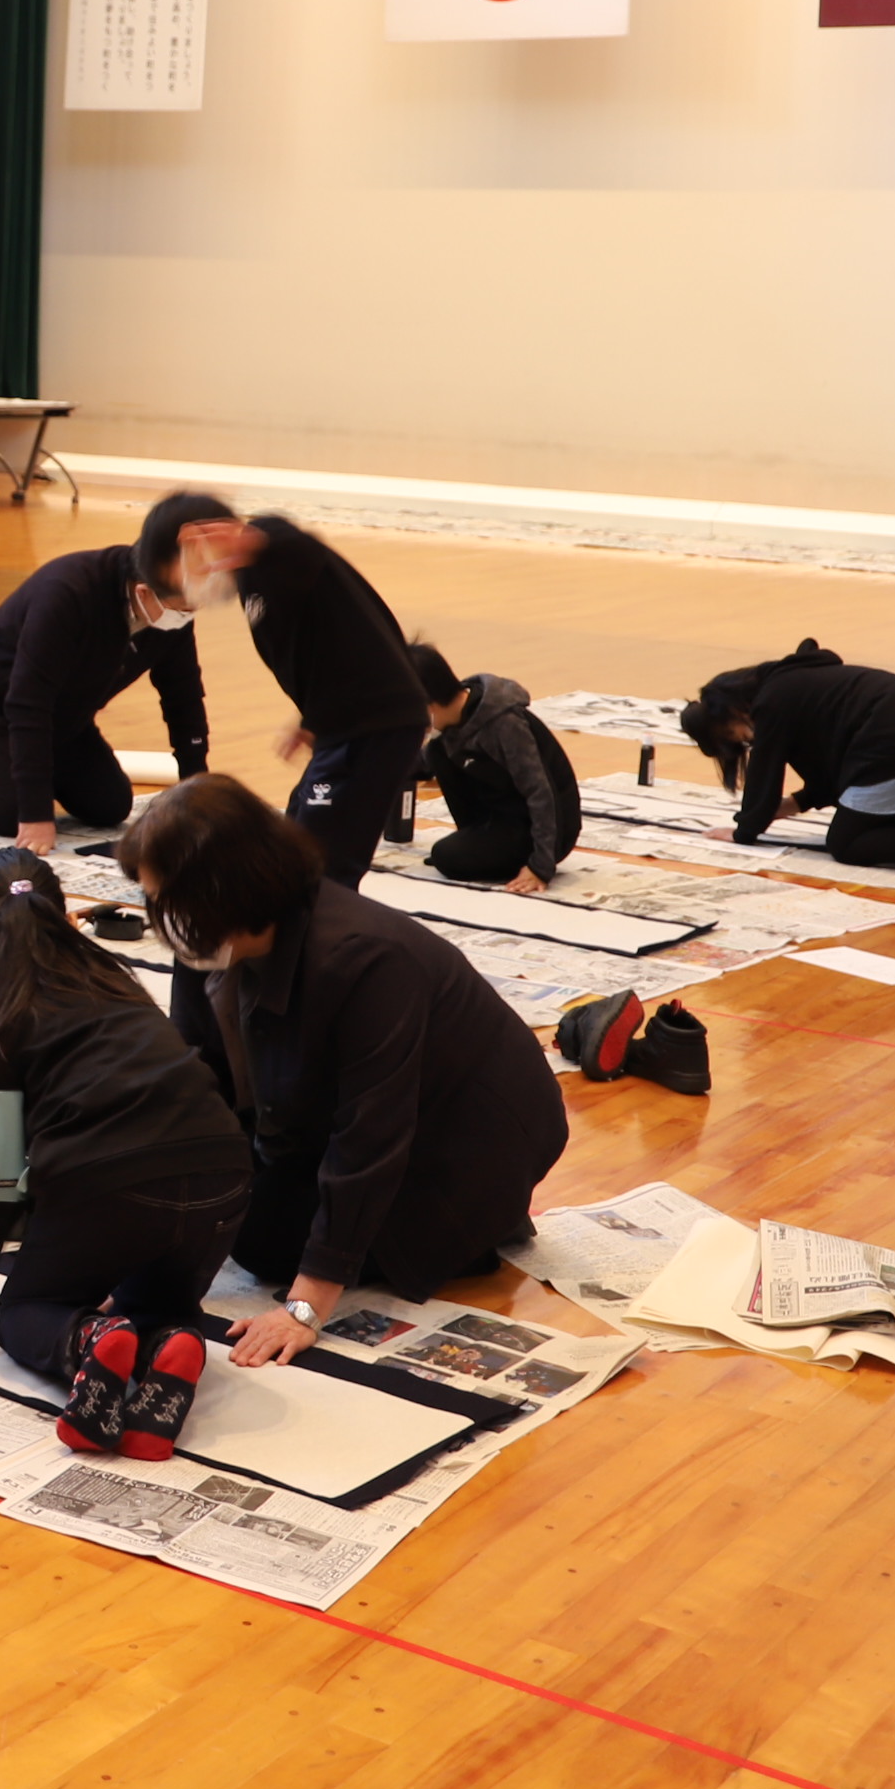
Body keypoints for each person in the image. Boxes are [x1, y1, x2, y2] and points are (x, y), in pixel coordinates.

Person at [116, 774, 568, 1359]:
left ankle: (463, 1236)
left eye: (169, 902)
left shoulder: (365, 957)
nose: (162, 920)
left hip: (464, 1149)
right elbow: (195, 1083)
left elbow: (373, 1131)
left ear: (229, 889)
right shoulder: (208, 941)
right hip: (324, 1119)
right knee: (219, 1212)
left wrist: (306, 1305)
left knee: (262, 1240)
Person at [0, 869, 255, 1459]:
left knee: (29, 1311)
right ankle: (171, 1349)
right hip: (225, 1175)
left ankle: (90, 1339)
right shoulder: (116, 980)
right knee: (157, 1304)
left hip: (111, 1183)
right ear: (68, 920)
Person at [0, 493, 214, 852]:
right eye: (183, 607)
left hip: (65, 713)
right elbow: (28, 701)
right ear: (144, 591)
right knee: (10, 814)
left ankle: (23, 765)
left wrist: (197, 793)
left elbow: (183, 697)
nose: (188, 614)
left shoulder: (174, 608)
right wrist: (35, 814)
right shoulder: (67, 591)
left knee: (109, 806)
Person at [170, 507, 430, 890]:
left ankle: (322, 941)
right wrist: (309, 723)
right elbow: (320, 647)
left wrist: (251, 538)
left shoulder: (278, 549)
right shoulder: (251, 580)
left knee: (323, 864)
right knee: (294, 840)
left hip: (377, 724)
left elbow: (291, 539)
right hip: (341, 723)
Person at [681, 641, 895, 879]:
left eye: (733, 735)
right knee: (887, 833)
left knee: (847, 844)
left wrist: (744, 832)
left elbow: (764, 773)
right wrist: (793, 805)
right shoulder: (798, 685)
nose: (745, 740)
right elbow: (834, 774)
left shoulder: (772, 701)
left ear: (728, 711)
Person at [410, 645, 579, 891]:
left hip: (545, 828)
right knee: (438, 751)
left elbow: (541, 793)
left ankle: (487, 851)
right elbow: (421, 767)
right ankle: (475, 841)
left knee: (446, 857)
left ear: (429, 703)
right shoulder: (451, 724)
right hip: (500, 817)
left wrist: (540, 865)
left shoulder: (504, 723)